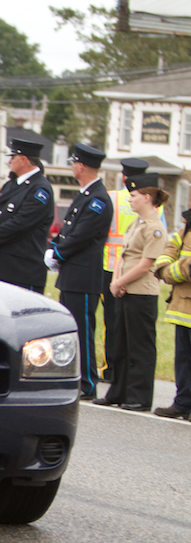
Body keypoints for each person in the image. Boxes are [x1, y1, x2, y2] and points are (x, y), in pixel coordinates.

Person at [93, 173, 168, 411]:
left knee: (140, 346)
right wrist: (116, 280)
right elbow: (124, 256)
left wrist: (118, 282)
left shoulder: (156, 228)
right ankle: (118, 391)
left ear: (147, 197)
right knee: (121, 343)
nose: (129, 200)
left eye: (133, 196)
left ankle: (139, 396)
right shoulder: (137, 223)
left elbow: (146, 264)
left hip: (142, 293)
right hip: (125, 288)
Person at [45, 143, 112, 400]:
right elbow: (67, 230)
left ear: (81, 166)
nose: (72, 167)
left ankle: (88, 383)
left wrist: (59, 253)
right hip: (72, 273)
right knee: (70, 330)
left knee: (82, 331)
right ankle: (73, 377)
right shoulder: (85, 195)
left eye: (74, 163)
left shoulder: (98, 199)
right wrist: (54, 247)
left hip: (84, 276)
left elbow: (82, 235)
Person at [0, 138, 55, 294]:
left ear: (24, 160)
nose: (9, 162)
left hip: (20, 271)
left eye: (13, 157)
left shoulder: (40, 190)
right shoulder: (11, 184)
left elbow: (21, 223)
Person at [100, 158, 147, 383]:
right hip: (139, 271)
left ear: (123, 177)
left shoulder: (112, 197)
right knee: (133, 327)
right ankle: (128, 371)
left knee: (111, 323)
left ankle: (111, 369)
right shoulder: (154, 203)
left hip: (110, 268)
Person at [152, 207, 191, 419]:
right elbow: (167, 253)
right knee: (183, 360)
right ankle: (183, 403)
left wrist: (170, 271)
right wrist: (169, 269)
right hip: (183, 309)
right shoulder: (185, 230)